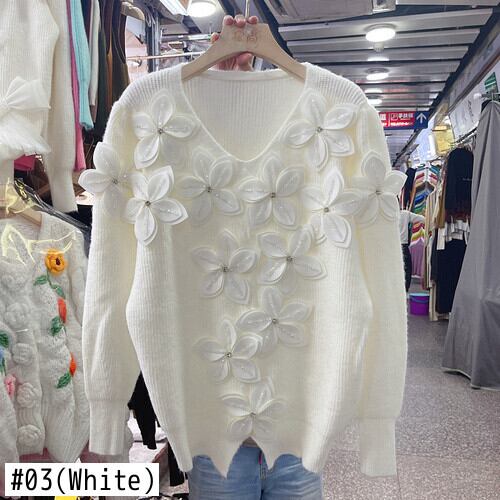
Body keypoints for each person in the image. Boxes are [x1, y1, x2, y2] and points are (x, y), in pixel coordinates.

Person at [186, 14, 323, 500]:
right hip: (217, 430)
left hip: (298, 427)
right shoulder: (180, 148)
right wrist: (219, 86)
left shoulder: (319, 138)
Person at [399, 208, 425, 292]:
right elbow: (422, 219)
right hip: (403, 245)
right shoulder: (405, 214)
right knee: (407, 268)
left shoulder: (388, 214)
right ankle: (405, 289)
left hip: (392, 245)